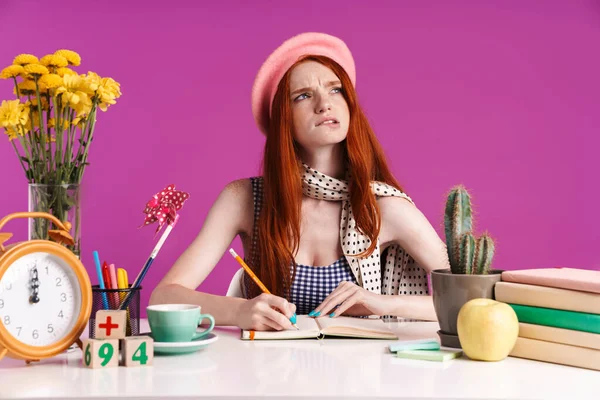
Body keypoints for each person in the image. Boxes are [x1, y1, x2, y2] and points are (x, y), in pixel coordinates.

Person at [149, 32, 450, 332]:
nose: (324, 104)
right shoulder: (243, 199)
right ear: (283, 119)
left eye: (335, 90)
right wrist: (241, 311)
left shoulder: (383, 206)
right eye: (303, 96)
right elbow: (164, 297)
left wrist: (383, 302)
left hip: (359, 375)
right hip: (262, 372)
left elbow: (471, 296)